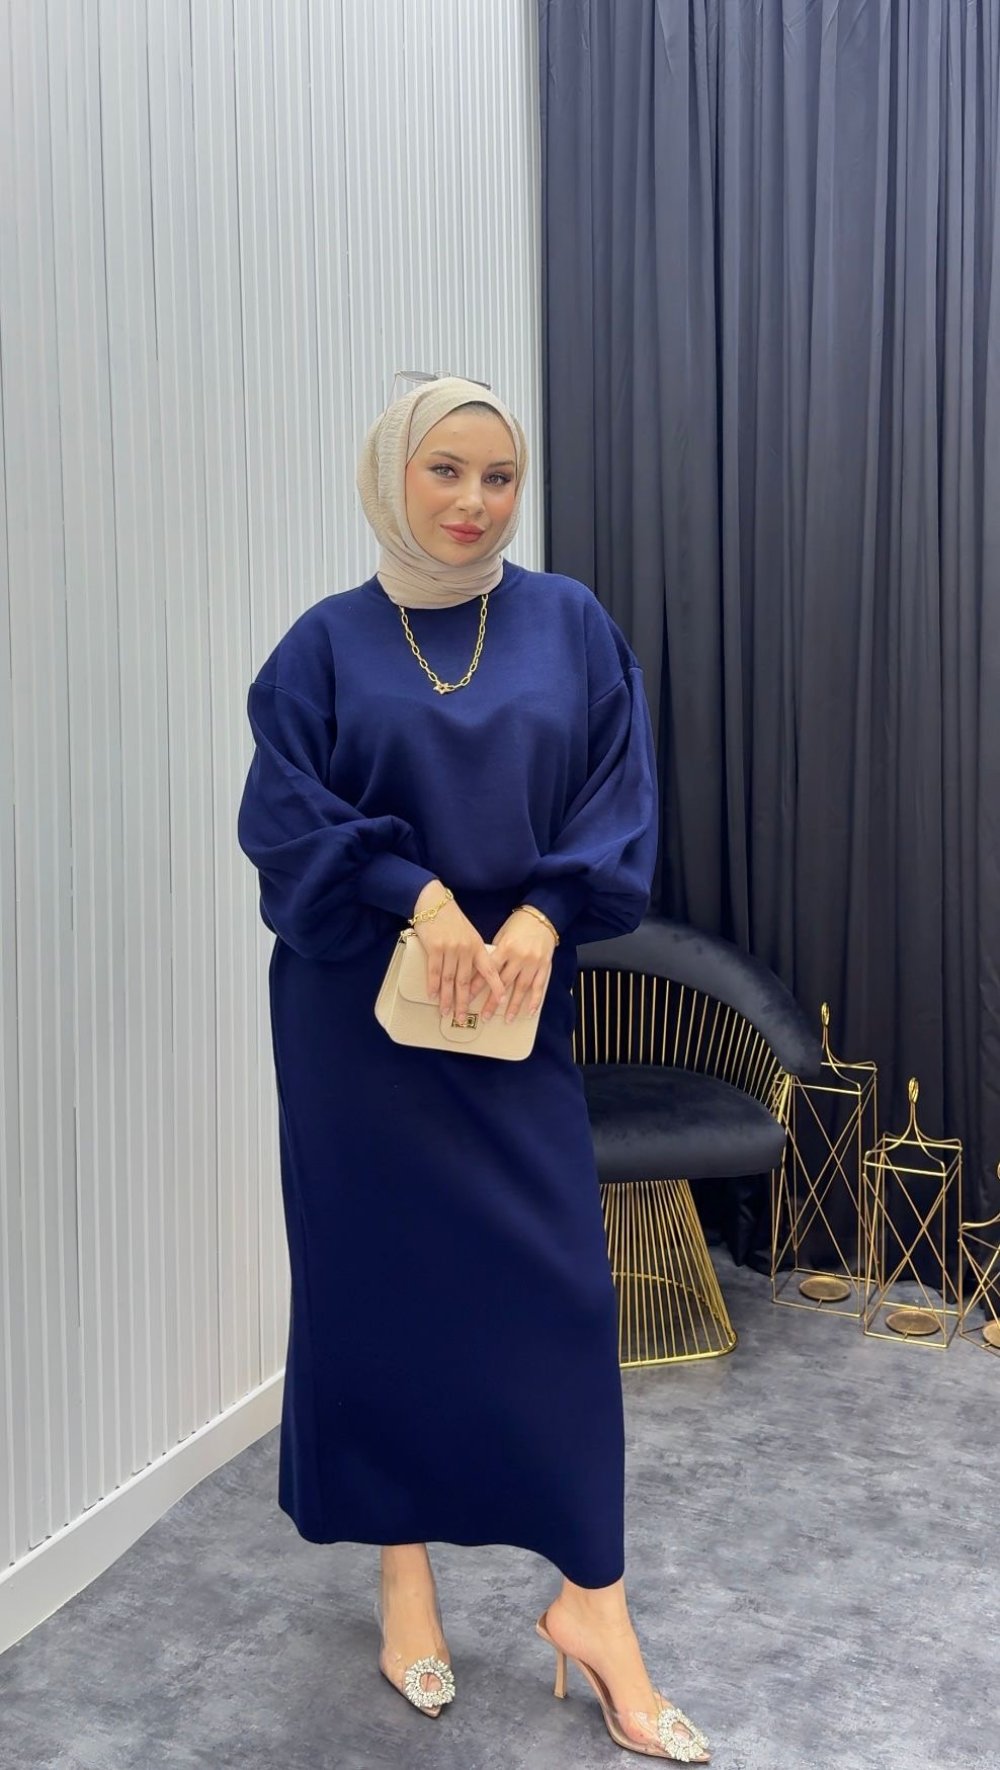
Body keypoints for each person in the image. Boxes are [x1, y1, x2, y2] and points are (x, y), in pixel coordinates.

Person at [236, 376, 710, 1762]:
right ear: (392, 474)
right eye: (444, 470)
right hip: (358, 1028)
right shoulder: (323, 646)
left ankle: (594, 1602)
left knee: (558, 1295)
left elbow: (617, 796)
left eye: (499, 476)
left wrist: (543, 915)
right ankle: (405, 1580)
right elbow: (285, 819)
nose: (473, 502)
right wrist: (420, 895)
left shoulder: (569, 624)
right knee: (379, 1291)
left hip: (512, 1009)